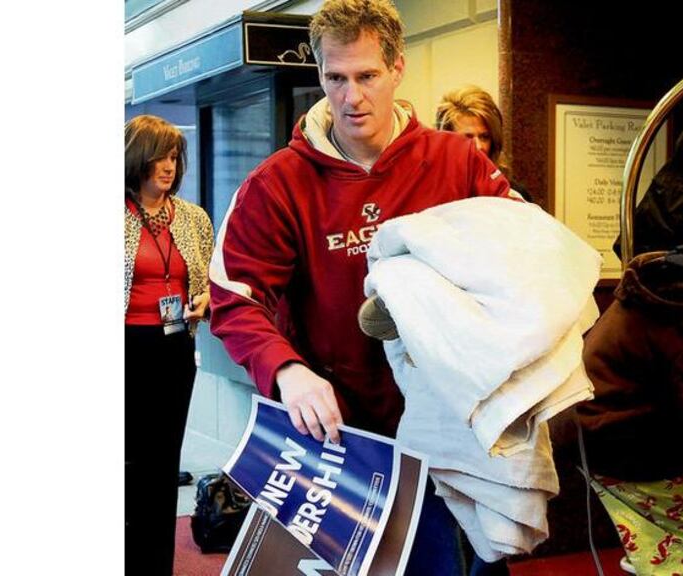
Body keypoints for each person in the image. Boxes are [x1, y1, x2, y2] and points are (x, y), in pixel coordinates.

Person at [208, 1, 521, 573]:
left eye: (367, 76)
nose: (352, 97)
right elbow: (234, 299)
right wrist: (287, 370)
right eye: (336, 78)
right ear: (319, 74)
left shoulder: (457, 162)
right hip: (343, 435)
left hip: (452, 428)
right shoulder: (278, 183)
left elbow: (527, 253)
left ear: (398, 68)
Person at [125, 114, 214, 575]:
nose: (169, 166)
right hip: (124, 347)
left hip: (174, 350)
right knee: (126, 461)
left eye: (175, 157)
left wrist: (207, 299)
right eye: (160, 156)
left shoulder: (194, 218)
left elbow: (213, 279)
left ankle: (155, 565)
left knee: (161, 464)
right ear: (136, 158)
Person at [436, 85, 532, 201]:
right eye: (467, 138)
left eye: (484, 137)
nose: (478, 146)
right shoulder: (432, 192)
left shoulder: (512, 194)